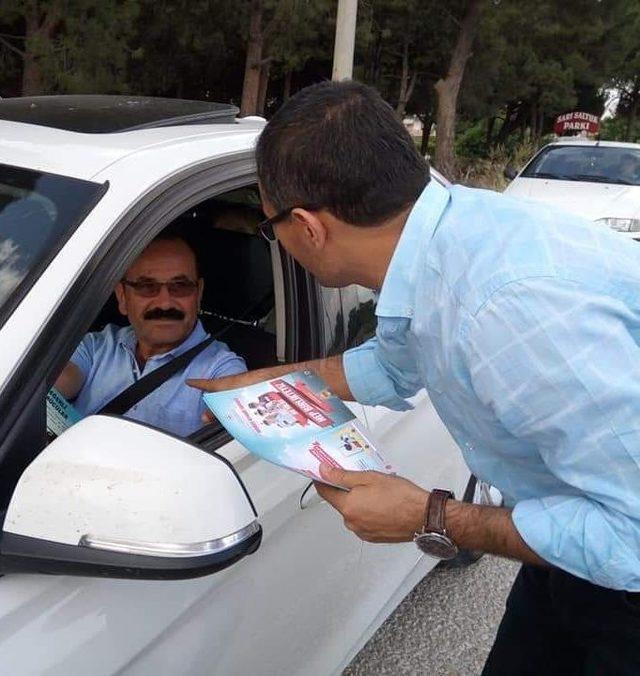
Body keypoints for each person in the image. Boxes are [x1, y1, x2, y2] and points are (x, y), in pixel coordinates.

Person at [189, 81, 640, 674]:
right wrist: (266, 383)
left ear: (307, 227)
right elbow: (395, 361)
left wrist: (431, 517)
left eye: (272, 228)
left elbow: (631, 537)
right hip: (568, 548)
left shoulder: (506, 311)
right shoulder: (441, 237)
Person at [56, 233, 246, 436]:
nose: (165, 303)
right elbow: (48, 387)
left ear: (198, 294)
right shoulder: (96, 347)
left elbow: (237, 401)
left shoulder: (220, 369)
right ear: (122, 296)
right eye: (147, 287)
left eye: (180, 286)